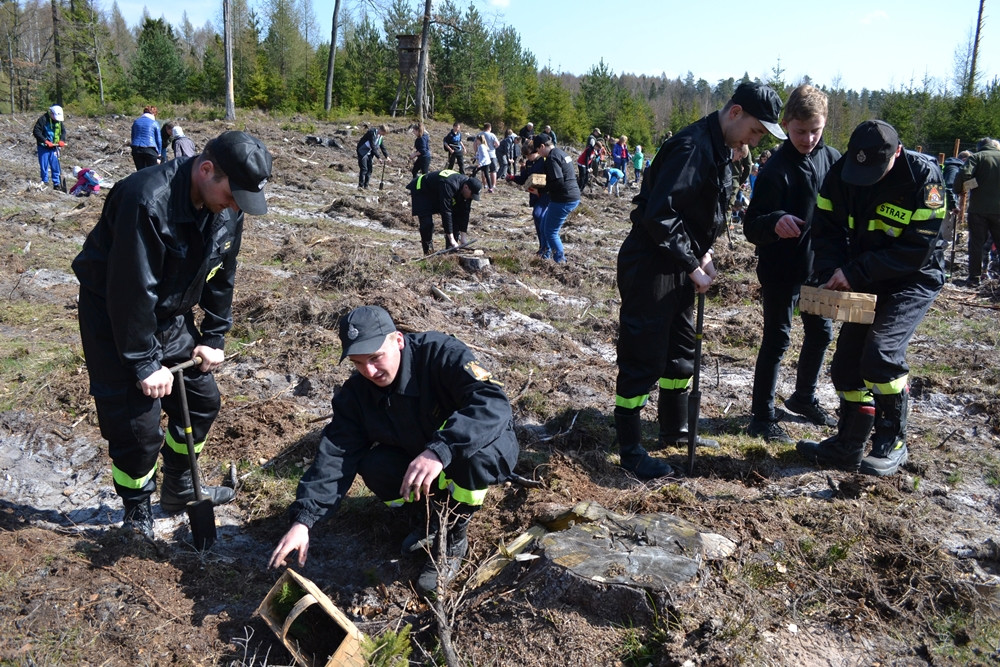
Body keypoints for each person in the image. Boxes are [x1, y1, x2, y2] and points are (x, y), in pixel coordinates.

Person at [71, 131, 274, 539]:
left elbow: (222, 276)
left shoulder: (227, 208)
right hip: (115, 318)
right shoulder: (145, 200)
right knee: (138, 428)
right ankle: (136, 509)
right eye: (233, 196)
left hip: (170, 314)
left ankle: (180, 487)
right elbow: (131, 292)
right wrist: (145, 363)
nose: (236, 208)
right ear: (206, 170)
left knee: (201, 401)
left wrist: (214, 336)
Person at [268, 305, 519, 594]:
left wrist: (441, 449)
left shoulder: (440, 354)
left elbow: (492, 402)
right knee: (375, 466)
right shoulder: (357, 394)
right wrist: (304, 520)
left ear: (398, 340)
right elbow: (336, 454)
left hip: (480, 443)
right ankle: (427, 520)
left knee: (474, 462)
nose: (369, 371)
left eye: (375, 358)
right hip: (422, 451)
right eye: (358, 363)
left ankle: (453, 534)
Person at [614, 81, 786, 478]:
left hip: (678, 262)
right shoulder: (692, 146)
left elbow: (695, 216)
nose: (755, 142)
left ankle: (674, 428)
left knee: (679, 354)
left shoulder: (719, 149)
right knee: (643, 356)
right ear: (736, 112)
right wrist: (693, 263)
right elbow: (660, 215)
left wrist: (703, 254)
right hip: (652, 264)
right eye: (756, 131)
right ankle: (630, 448)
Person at [797, 120, 946, 477]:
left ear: (897, 152)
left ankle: (892, 440)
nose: (866, 177)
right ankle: (849, 442)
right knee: (847, 365)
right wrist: (830, 270)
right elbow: (826, 227)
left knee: (881, 355)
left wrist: (855, 272)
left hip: (913, 277)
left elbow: (917, 249)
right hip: (863, 274)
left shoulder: (925, 178)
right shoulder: (841, 171)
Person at [743, 84, 841, 444]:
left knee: (821, 334)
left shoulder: (832, 159)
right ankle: (762, 416)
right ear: (785, 125)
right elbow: (751, 225)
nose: (809, 139)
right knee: (777, 339)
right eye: (801, 131)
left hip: (820, 269)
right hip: (781, 269)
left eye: (816, 130)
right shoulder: (774, 170)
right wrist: (775, 221)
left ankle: (803, 397)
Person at [955, 138, 1000, 286]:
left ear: (980, 147)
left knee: (976, 244)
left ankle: (974, 278)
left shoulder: (976, 157)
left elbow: (964, 174)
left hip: (978, 209)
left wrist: (971, 187)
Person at [406, 169, 482, 254]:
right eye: (472, 195)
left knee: (456, 217)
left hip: (437, 191)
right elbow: (446, 212)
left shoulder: (467, 190)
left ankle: (451, 252)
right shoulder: (450, 185)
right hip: (422, 190)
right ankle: (428, 252)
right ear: (466, 187)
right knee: (427, 224)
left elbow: (465, 212)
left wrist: (463, 238)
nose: (471, 198)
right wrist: (452, 239)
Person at [531, 133, 581, 263]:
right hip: (570, 195)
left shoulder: (552, 158)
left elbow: (558, 181)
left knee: (551, 232)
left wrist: (540, 190)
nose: (538, 153)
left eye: (537, 150)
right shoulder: (561, 153)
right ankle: (545, 255)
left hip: (564, 198)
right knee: (543, 226)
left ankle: (560, 261)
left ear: (542, 146)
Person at [513, 143, 549, 256]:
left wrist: (540, 191)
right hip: (534, 195)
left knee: (539, 216)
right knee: (537, 219)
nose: (528, 157)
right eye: (526, 156)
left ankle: (547, 248)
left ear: (536, 151)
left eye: (529, 155)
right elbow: (524, 178)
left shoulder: (544, 162)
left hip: (545, 194)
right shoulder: (529, 163)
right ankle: (542, 246)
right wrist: (513, 177)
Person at [32, 104, 67, 190]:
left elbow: (63, 131)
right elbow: (36, 131)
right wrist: (45, 141)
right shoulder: (43, 119)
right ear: (51, 114)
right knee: (44, 166)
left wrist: (62, 140)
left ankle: (57, 184)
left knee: (56, 165)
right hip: (43, 147)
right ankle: (45, 182)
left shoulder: (59, 121)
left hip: (55, 147)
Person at [356, 124, 390, 189]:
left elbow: (382, 146)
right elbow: (372, 145)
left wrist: (387, 156)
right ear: (381, 130)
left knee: (369, 169)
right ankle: (360, 186)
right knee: (364, 169)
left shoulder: (380, 136)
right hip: (362, 151)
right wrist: (379, 157)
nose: (384, 135)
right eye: (384, 133)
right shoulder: (371, 133)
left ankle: (366, 186)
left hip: (370, 152)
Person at [130, 105, 162, 171]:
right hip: (150, 148)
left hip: (136, 148)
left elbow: (133, 136)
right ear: (153, 114)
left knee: (140, 172)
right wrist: (159, 153)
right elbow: (158, 139)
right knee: (152, 172)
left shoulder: (136, 122)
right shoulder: (154, 123)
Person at [478, 123, 500, 192]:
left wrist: (477, 153)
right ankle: (493, 185)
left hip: (482, 155)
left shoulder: (480, 134)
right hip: (491, 154)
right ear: (489, 128)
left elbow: (475, 144)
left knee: (484, 171)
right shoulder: (492, 135)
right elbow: (497, 144)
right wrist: (494, 147)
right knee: (493, 171)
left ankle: (485, 185)